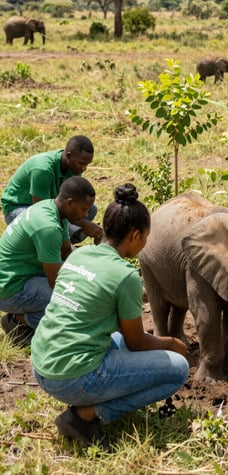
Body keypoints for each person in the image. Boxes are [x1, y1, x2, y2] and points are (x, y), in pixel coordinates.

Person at [31, 183, 189, 446]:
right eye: (147, 236)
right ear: (136, 235)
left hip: (41, 363)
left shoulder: (78, 257)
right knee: (177, 368)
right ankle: (84, 415)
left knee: (118, 342)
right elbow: (137, 342)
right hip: (69, 376)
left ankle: (89, 400)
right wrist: (172, 344)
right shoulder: (125, 276)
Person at [0, 176, 96, 347]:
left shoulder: (53, 209)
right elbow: (57, 283)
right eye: (83, 210)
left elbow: (66, 251)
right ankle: (17, 321)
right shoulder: (48, 227)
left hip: (23, 273)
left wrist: (92, 270)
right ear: (70, 202)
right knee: (72, 302)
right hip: (10, 288)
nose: (86, 215)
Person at [2, 135, 102, 243]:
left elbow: (73, 201)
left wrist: (83, 222)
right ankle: (59, 241)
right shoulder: (42, 169)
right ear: (69, 156)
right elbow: (41, 212)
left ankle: (62, 242)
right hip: (19, 208)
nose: (84, 168)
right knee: (48, 223)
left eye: (87, 164)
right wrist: (83, 224)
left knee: (90, 209)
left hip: (49, 205)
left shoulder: (73, 167)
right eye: (81, 163)